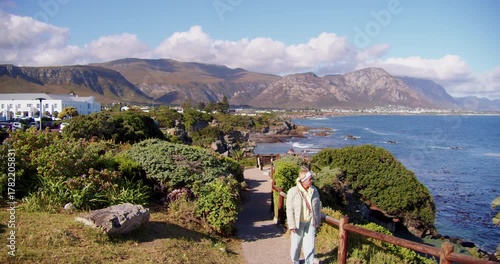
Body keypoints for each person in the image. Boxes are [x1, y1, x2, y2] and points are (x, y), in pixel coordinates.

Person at [286, 167, 322, 264]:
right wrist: (292, 225)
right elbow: (289, 210)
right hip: (298, 223)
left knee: (310, 245)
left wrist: (317, 220)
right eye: (310, 179)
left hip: (311, 222)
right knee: (296, 245)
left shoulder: (314, 190)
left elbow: (318, 206)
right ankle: (295, 261)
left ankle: (309, 262)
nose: (312, 181)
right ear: (303, 180)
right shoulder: (293, 191)